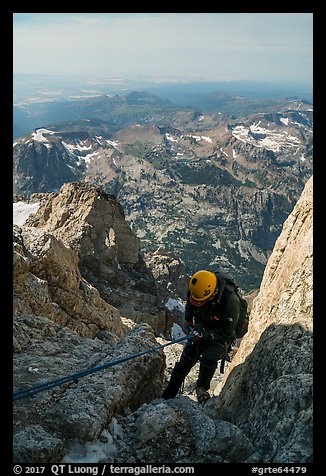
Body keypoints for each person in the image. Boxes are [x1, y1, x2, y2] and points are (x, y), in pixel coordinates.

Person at [162, 269, 240, 403]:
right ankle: (168, 395)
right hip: (201, 328)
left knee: (209, 358)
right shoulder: (196, 291)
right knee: (184, 362)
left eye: (201, 301)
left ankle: (202, 388)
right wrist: (188, 320)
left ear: (212, 294)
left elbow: (228, 331)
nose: (197, 303)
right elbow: (191, 306)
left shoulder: (230, 301)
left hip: (220, 336)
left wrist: (207, 335)